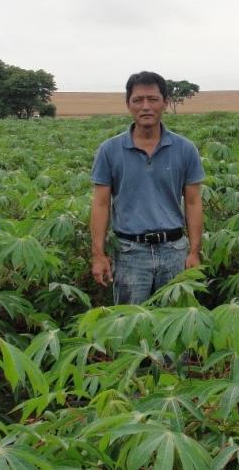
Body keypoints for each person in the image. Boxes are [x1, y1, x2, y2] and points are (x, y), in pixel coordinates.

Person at [90, 71, 205, 304]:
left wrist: (194, 252)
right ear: (128, 105)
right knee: (129, 327)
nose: (145, 106)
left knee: (174, 322)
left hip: (174, 251)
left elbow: (193, 202)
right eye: (138, 100)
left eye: (153, 99)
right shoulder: (109, 150)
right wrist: (98, 255)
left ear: (165, 102)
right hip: (130, 252)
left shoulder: (185, 149)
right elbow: (101, 204)